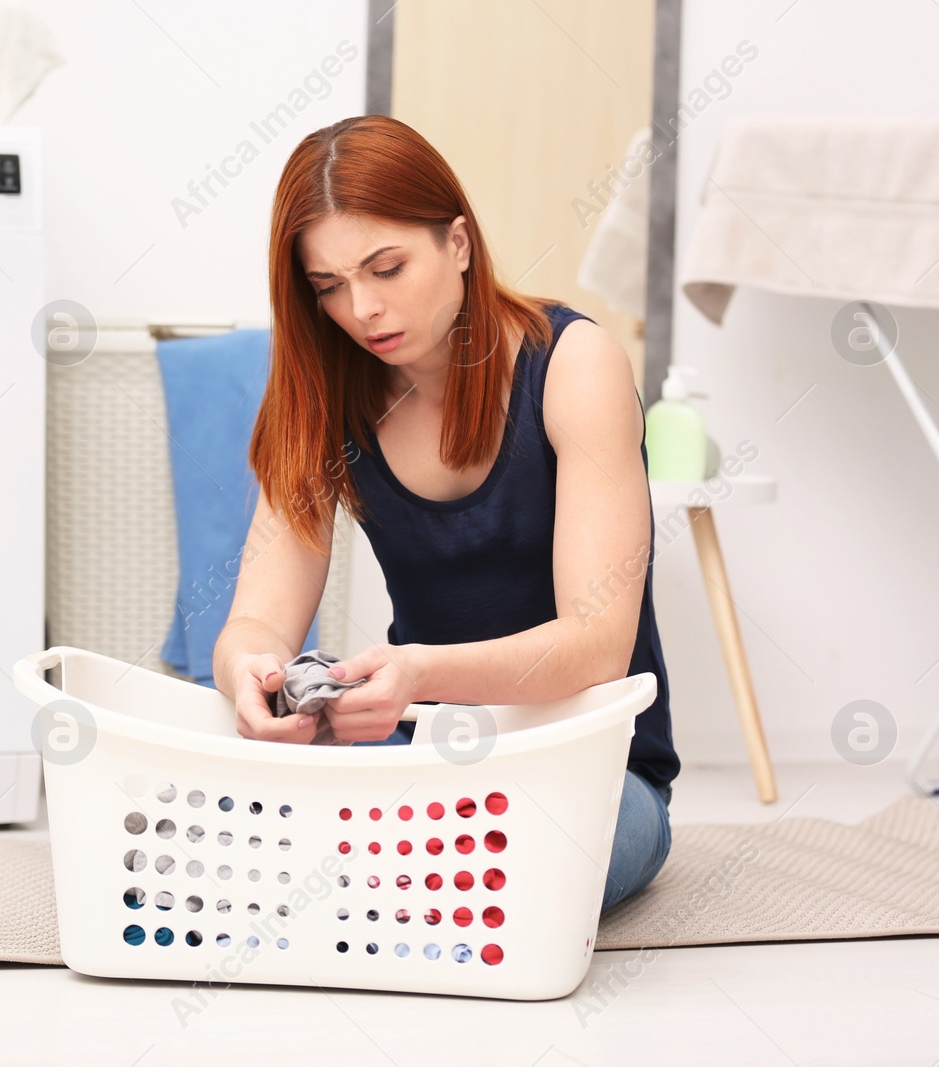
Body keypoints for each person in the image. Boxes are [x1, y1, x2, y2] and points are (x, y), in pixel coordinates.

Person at [211, 115, 678, 912]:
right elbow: (256, 623)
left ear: (458, 243)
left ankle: (395, 876)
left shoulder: (573, 365)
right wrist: (250, 678)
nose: (361, 308)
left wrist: (419, 673)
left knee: (504, 869)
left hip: (591, 766)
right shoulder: (326, 398)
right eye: (327, 286)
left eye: (386, 267)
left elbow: (598, 645)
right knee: (242, 847)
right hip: (423, 755)